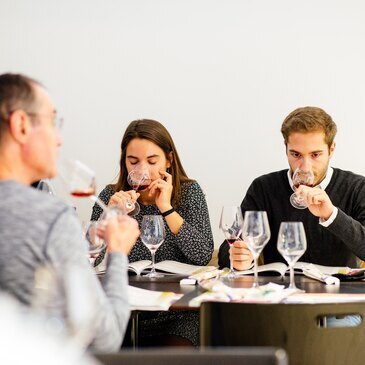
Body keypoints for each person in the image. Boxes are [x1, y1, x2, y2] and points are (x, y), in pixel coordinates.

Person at [0, 73, 140, 352]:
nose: (59, 140)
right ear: (21, 125)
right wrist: (118, 252)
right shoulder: (49, 215)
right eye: (53, 122)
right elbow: (106, 337)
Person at [91, 118, 214, 346]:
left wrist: (166, 208)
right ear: (124, 163)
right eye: (133, 161)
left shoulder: (189, 192)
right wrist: (109, 215)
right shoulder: (111, 196)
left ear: (169, 160)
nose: (142, 171)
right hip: (124, 309)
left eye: (152, 161)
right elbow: (90, 259)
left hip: (176, 311)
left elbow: (202, 254)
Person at [218, 106, 365, 270]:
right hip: (280, 289)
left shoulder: (356, 187)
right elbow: (227, 251)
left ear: (331, 150)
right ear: (286, 148)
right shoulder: (264, 188)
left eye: (315, 155)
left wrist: (331, 214)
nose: (305, 167)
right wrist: (238, 257)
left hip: (340, 291)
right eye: (296, 154)